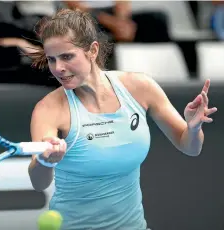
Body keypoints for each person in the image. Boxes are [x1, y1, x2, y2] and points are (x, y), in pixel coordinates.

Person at [28, 8, 217, 230]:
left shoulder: (139, 87)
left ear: (92, 50)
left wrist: (193, 130)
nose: (58, 68)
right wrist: (45, 161)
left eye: (67, 56)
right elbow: (39, 183)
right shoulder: (48, 109)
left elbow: (190, 147)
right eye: (52, 59)